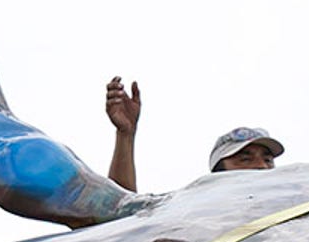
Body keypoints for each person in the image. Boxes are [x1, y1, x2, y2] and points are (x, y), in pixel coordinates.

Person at [103, 75, 284, 191]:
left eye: (268, 160)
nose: (262, 166)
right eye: (245, 159)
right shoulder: (197, 213)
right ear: (218, 172)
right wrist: (126, 135)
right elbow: (121, 218)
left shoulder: (292, 213)